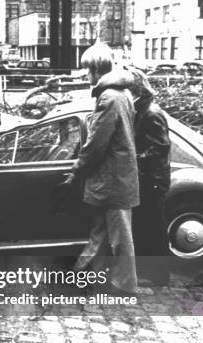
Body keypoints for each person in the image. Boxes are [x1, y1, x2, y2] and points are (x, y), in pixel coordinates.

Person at [61, 42, 139, 296]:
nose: (85, 76)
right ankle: (83, 276)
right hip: (117, 176)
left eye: (87, 71)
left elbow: (95, 145)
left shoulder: (108, 98)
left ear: (96, 70)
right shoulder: (123, 94)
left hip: (111, 179)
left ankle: (125, 286)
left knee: (118, 237)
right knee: (102, 234)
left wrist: (75, 174)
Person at [128, 69, 171, 285]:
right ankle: (150, 272)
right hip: (148, 177)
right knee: (146, 225)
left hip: (154, 179)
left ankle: (159, 276)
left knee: (154, 227)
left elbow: (160, 147)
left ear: (136, 90)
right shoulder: (142, 109)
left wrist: (135, 158)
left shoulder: (152, 113)